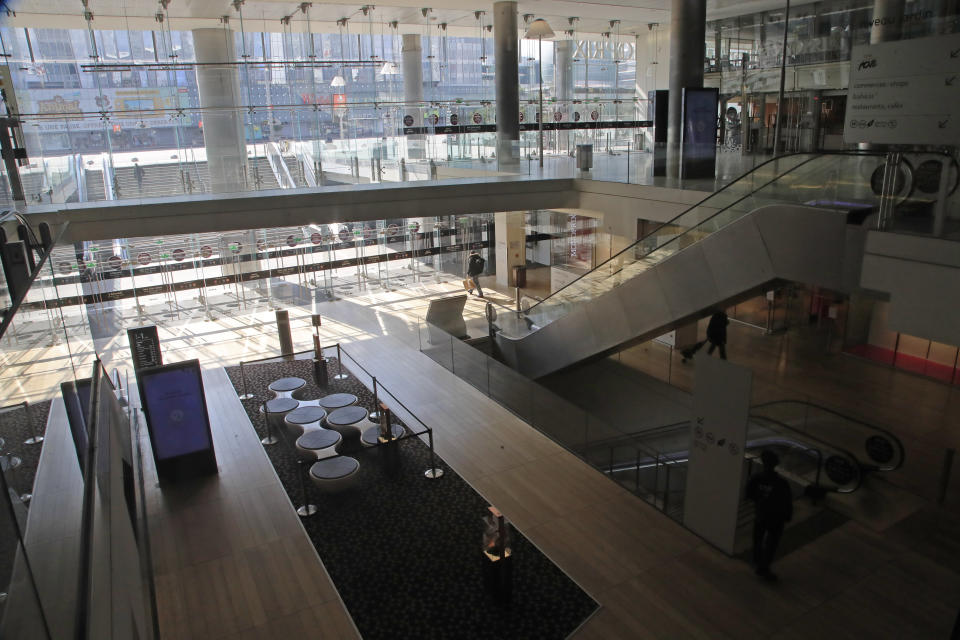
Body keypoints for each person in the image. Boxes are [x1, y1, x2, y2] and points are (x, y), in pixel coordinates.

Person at [745, 450, 793, 582]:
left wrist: (759, 502)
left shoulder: (756, 478)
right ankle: (764, 566)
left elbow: (749, 493)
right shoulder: (781, 483)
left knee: (758, 539)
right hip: (776, 518)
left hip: (761, 514)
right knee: (771, 543)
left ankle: (757, 561)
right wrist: (787, 516)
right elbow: (787, 501)